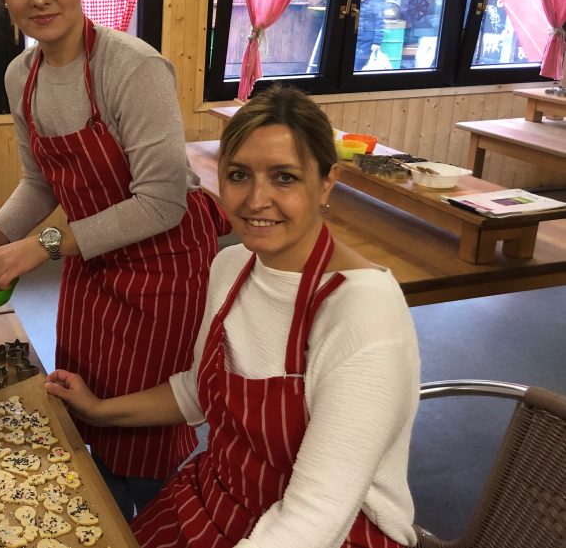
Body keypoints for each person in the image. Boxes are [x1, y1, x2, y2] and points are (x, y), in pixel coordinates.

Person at [46, 85, 420, 548]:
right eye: (239, 175)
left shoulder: (362, 312)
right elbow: (199, 393)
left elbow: (317, 516)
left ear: (326, 182)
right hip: (216, 499)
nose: (256, 199)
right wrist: (100, 412)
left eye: (284, 177)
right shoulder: (231, 267)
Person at [0, 0, 230, 519]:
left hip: (163, 268)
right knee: (84, 404)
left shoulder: (133, 68)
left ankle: (154, 525)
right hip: (88, 262)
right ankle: (98, 518)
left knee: (144, 435)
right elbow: (37, 181)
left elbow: (161, 201)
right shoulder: (19, 75)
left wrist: (41, 247)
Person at [355, 0, 387, 71]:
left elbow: (380, 21)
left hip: (367, 36)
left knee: (358, 64)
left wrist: (377, 42)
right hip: (361, 34)